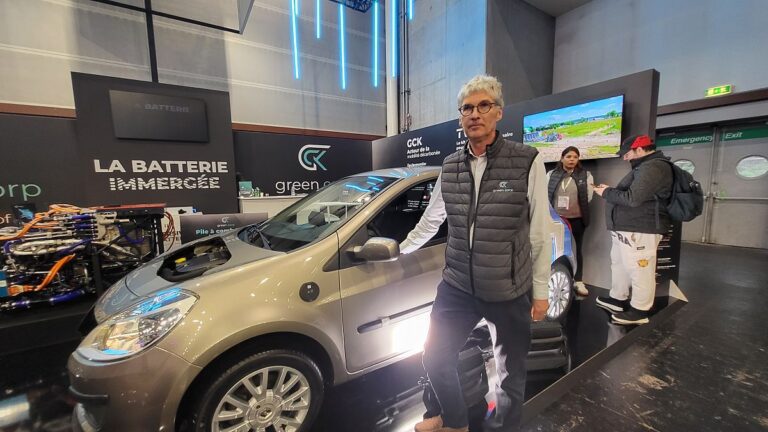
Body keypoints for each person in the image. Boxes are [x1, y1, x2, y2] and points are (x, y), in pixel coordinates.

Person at [400, 75, 552, 432]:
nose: (474, 114)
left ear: (498, 113)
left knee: (509, 374)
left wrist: (541, 292)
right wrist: (400, 250)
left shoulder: (527, 161)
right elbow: (431, 220)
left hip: (507, 288)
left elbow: (540, 233)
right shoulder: (450, 166)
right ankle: (454, 423)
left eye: (483, 106)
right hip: (457, 286)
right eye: (467, 108)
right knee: (435, 357)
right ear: (461, 117)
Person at [593, 134, 673, 325]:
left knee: (640, 269)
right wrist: (611, 191)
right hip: (628, 228)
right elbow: (636, 195)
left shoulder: (654, 167)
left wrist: (606, 192)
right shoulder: (646, 167)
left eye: (627, 153)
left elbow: (632, 199)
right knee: (619, 263)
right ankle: (618, 298)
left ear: (639, 149)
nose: (624, 158)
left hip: (641, 229)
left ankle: (640, 309)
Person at [547, 146, 594, 297]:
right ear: (562, 158)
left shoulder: (586, 175)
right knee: (553, 249)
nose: (572, 159)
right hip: (555, 220)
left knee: (576, 249)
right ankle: (552, 277)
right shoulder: (551, 174)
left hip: (576, 220)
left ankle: (578, 281)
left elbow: (589, 197)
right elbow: (545, 196)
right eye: (568, 156)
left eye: (575, 157)